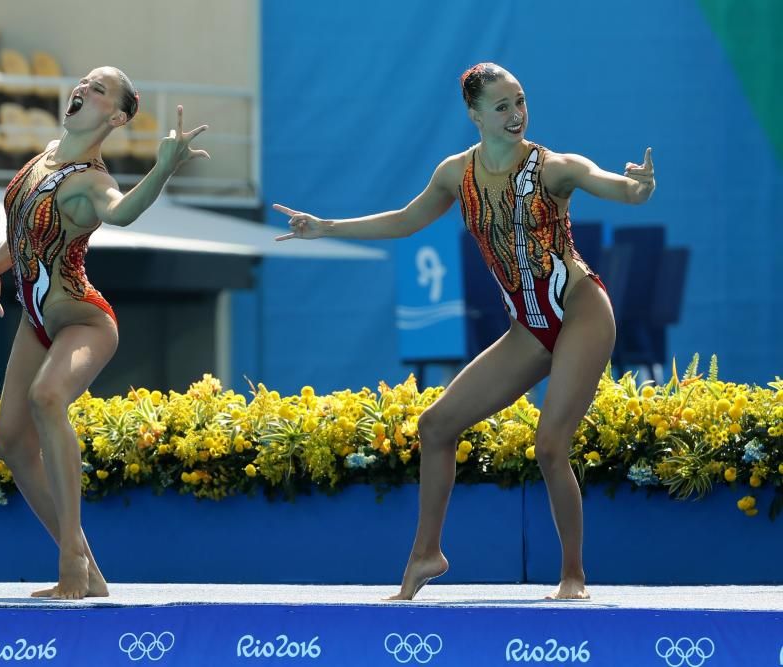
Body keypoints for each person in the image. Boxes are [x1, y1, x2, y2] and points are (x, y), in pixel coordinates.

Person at [273, 62, 655, 600]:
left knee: (550, 446)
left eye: (520, 101)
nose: (516, 114)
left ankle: (573, 574)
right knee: (436, 426)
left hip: (582, 311)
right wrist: (326, 227)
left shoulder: (551, 168)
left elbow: (607, 183)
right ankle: (427, 554)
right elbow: (406, 220)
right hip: (530, 327)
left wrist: (636, 189)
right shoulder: (456, 174)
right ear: (474, 114)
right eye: (502, 107)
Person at [0, 66, 209, 599]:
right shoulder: (46, 155)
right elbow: (27, 234)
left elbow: (123, 213)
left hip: (85, 319)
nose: (82, 89)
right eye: (83, 81)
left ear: (115, 116)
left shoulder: (95, 181)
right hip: (36, 319)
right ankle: (89, 571)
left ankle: (71, 562)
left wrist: (161, 170)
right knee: (13, 446)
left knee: (48, 399)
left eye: (98, 88)